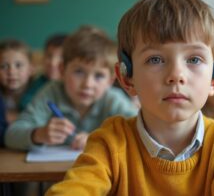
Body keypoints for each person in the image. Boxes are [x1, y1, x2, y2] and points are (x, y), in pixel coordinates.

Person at [46, 0, 214, 195]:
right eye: (155, 59)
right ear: (127, 78)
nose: (176, 75)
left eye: (194, 59)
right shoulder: (109, 142)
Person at [5, 25, 138, 151]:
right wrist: (38, 134)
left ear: (110, 80)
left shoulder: (112, 99)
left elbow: (140, 132)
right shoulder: (51, 92)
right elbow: (11, 135)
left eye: (98, 76)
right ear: (62, 70)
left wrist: (100, 139)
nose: (88, 84)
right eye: (79, 72)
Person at [0, 39, 34, 122]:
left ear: (31, 69)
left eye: (18, 65)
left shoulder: (39, 92)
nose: (11, 72)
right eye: (4, 66)